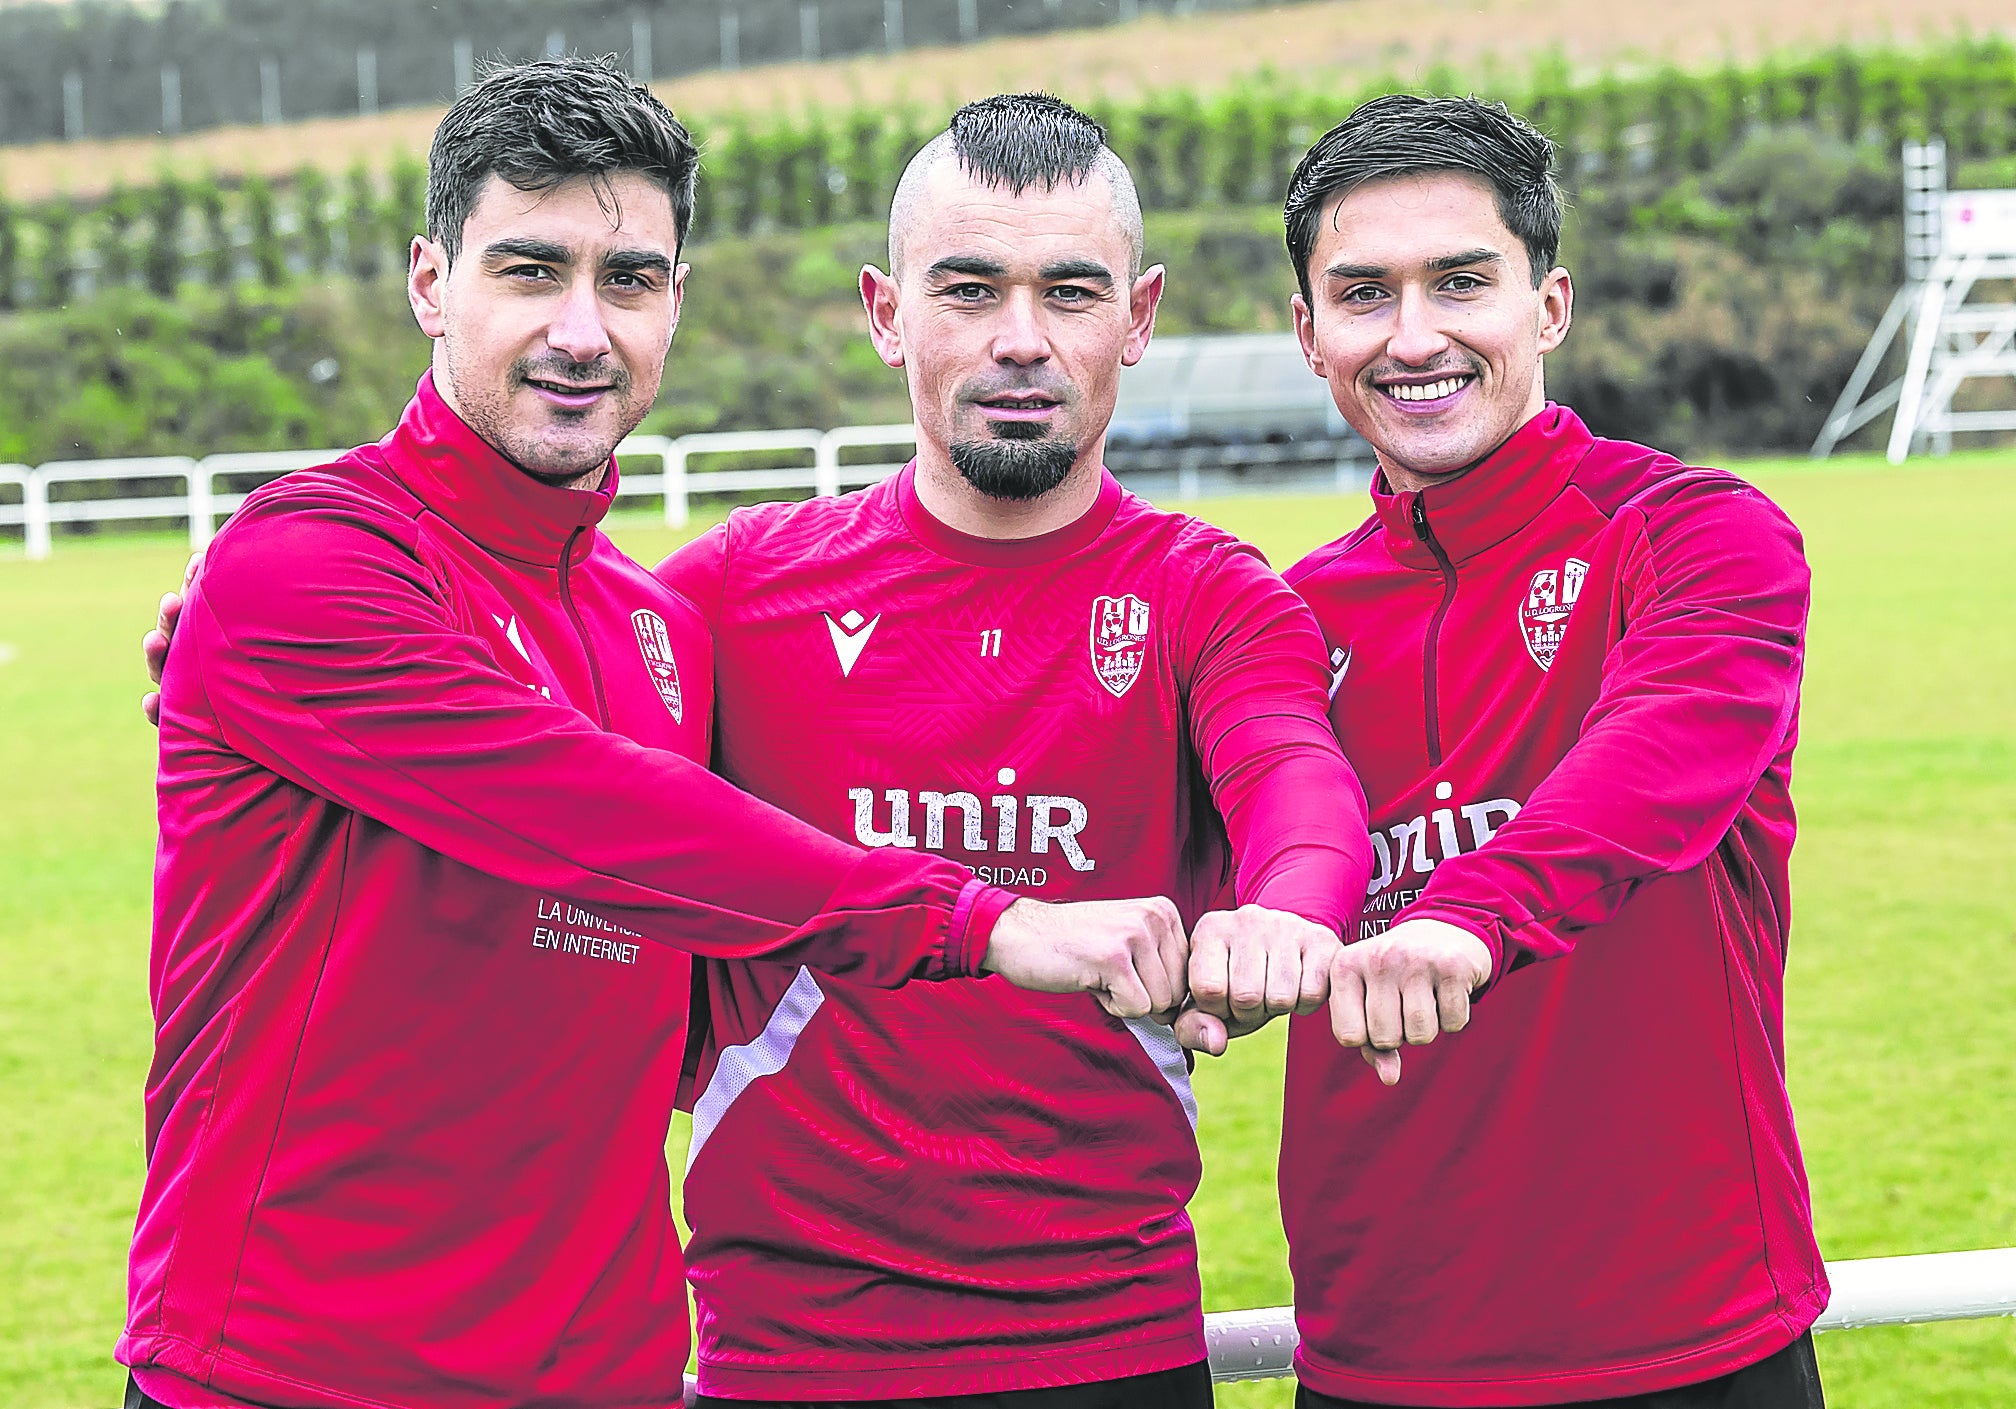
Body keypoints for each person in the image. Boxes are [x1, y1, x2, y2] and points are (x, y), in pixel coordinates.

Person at [121, 60, 1194, 1409]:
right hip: (299, 1372)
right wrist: (986, 920)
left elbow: (696, 962)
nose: (582, 329)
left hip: (613, 1373)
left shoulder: (660, 631)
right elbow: (596, 813)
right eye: (530, 270)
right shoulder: (308, 563)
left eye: (628, 280)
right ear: (428, 284)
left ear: (674, 301)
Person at [661, 94, 1373, 1408]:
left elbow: (1298, 785)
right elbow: (527, 731)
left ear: (1140, 317)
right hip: (786, 1356)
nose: (1021, 341)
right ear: (887, 312)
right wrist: (270, 641)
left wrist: (1289, 916)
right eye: (971, 289)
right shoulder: (729, 591)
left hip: (1109, 1349)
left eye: (1072, 292)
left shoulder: (1209, 595)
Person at [1277, 94, 1828, 1407]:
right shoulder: (1285, 616)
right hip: (1375, 1345)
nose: (1414, 336)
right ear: (1309, 335)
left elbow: (1653, 761)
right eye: (1363, 294)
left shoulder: (1700, 536)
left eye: (1461, 281)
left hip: (1684, 1328)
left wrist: (1465, 918)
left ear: (1551, 303)